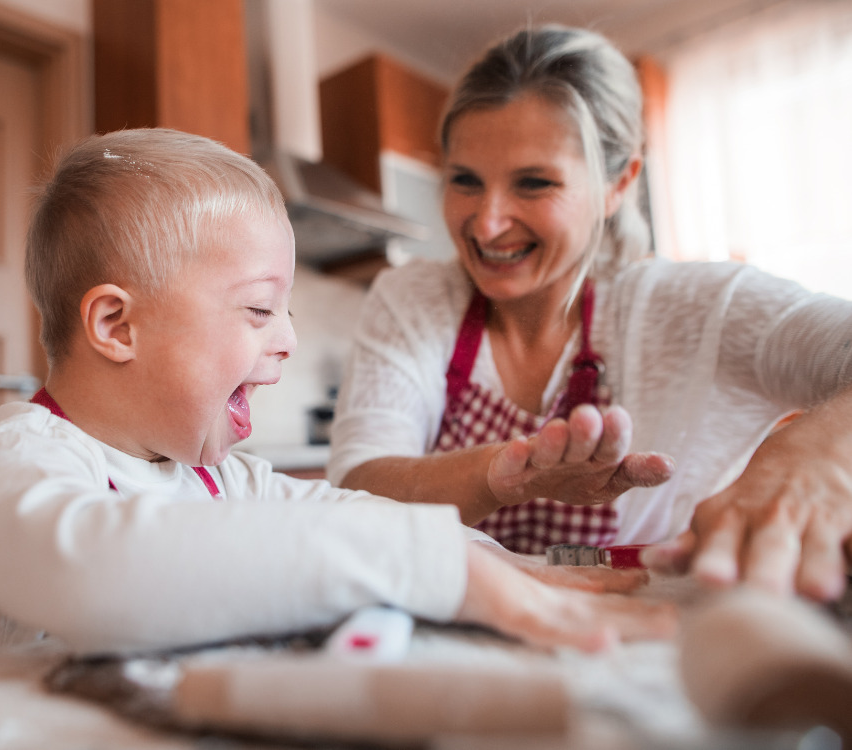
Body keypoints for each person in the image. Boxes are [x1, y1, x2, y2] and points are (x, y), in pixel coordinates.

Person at [0, 128, 673, 660]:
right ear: (116, 324)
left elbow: (351, 517)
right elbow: (102, 578)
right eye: (256, 309)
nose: (286, 337)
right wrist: (434, 570)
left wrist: (522, 568)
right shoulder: (10, 471)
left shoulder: (216, 477)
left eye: (286, 310)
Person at [329, 25, 852, 602]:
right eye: (465, 181)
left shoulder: (703, 305)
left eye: (533, 183)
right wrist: (502, 475)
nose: (487, 222)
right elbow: (358, 486)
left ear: (618, 183)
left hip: (643, 634)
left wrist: (808, 456)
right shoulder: (412, 299)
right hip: (459, 620)